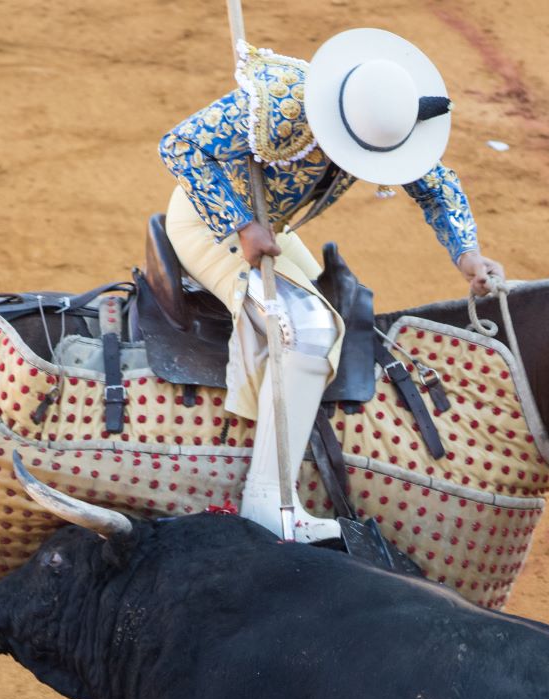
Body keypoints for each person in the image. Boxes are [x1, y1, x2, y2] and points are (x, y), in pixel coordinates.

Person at [160, 27, 504, 542]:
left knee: (337, 309)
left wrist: (467, 254)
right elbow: (180, 145)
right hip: (208, 222)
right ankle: (269, 501)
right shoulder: (279, 105)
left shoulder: (387, 114)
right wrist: (242, 224)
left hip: (271, 227)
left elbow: (437, 187)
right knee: (309, 329)